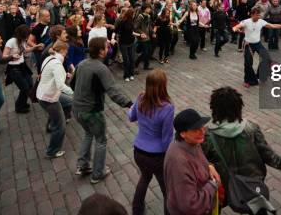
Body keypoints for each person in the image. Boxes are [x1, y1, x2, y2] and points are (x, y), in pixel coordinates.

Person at [201, 87, 281, 210]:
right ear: (238, 107)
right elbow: (273, 159)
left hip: (224, 188)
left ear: (214, 109)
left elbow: (200, 165)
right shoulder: (251, 129)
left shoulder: (207, 136)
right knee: (259, 208)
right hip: (253, 187)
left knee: (215, 206)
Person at [72, 37, 133, 184]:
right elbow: (113, 91)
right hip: (91, 111)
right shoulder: (101, 68)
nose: (109, 49)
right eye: (107, 47)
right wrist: (129, 103)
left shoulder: (82, 64)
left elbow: (72, 83)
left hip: (77, 109)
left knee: (88, 134)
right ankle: (98, 173)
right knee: (101, 140)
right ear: (101, 51)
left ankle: (83, 165)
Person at [128, 69, 174, 215]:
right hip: (157, 156)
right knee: (166, 188)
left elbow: (131, 117)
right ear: (164, 85)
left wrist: (131, 108)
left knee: (145, 178)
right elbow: (167, 137)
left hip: (139, 152)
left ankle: (137, 210)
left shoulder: (141, 98)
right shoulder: (167, 108)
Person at [164, 108, 219, 215]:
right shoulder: (179, 162)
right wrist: (213, 184)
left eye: (202, 126)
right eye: (195, 129)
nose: (202, 131)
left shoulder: (192, 142)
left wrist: (209, 166)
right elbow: (190, 205)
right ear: (183, 134)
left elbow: (199, 161)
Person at [232, 7, 281, 87]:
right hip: (248, 45)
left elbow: (273, 26)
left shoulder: (261, 21)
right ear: (252, 15)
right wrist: (235, 29)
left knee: (267, 59)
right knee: (248, 63)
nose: (258, 17)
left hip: (258, 44)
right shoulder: (246, 22)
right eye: (257, 15)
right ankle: (247, 80)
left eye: (259, 15)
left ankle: (259, 76)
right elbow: (236, 26)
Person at [37, 41, 73, 159]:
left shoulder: (49, 58)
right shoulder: (57, 64)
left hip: (44, 93)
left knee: (68, 102)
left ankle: (57, 120)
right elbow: (61, 86)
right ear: (63, 50)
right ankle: (52, 151)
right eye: (67, 51)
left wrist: (65, 74)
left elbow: (49, 74)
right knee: (60, 126)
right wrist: (74, 93)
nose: (67, 53)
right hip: (49, 97)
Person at [3, 24, 42, 114]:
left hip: (22, 65)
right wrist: (12, 56)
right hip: (14, 68)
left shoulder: (23, 41)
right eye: (27, 34)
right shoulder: (11, 41)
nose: (28, 36)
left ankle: (23, 103)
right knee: (24, 88)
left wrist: (35, 47)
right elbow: (4, 56)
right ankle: (19, 107)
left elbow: (25, 50)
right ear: (22, 34)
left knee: (29, 85)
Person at [115, 8, 140, 81]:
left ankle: (131, 74)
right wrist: (115, 38)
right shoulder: (121, 22)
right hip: (123, 43)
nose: (134, 15)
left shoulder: (132, 21)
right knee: (126, 60)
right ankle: (126, 75)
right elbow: (117, 31)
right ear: (130, 14)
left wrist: (139, 35)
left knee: (132, 59)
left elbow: (132, 32)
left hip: (131, 42)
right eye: (134, 14)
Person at [134, 4, 153, 71]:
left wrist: (152, 33)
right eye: (148, 8)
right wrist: (142, 33)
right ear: (144, 9)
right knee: (145, 52)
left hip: (148, 36)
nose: (150, 9)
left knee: (149, 51)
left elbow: (149, 26)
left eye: (150, 8)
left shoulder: (148, 16)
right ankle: (137, 63)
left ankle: (144, 65)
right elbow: (136, 27)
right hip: (143, 37)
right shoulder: (140, 16)